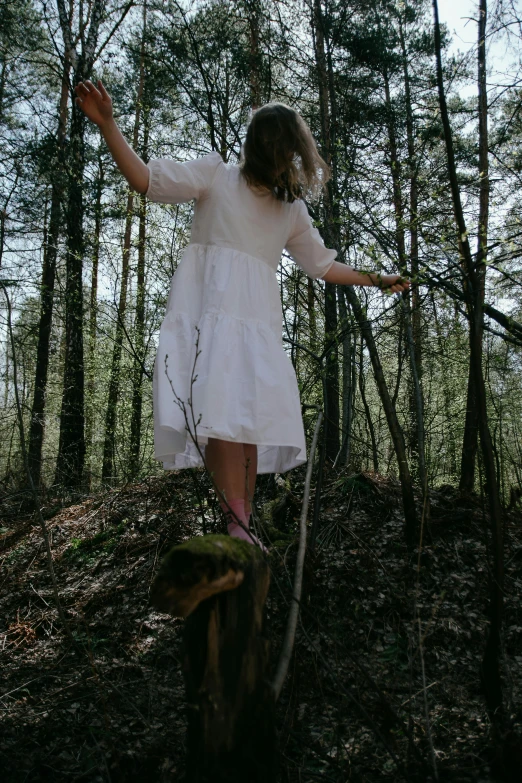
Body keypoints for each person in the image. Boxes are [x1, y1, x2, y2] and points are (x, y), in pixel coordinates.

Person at [75, 79, 409, 549]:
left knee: (244, 417)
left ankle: (242, 517)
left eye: (289, 152)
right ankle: (236, 517)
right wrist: (108, 125)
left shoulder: (289, 210)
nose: (285, 159)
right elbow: (146, 179)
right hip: (207, 312)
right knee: (220, 416)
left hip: (253, 323)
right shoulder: (215, 174)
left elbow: (323, 265)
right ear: (260, 147)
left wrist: (377, 278)